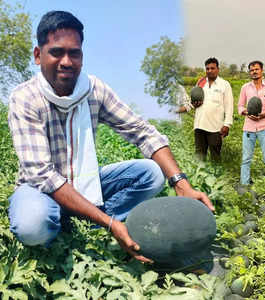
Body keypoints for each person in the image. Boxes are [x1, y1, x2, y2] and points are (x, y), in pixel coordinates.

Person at [7, 11, 214, 263]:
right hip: (39, 189)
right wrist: (110, 222)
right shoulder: (25, 98)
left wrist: (182, 184)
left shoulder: (93, 90)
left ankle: (88, 221)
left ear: (82, 56)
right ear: (38, 56)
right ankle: (75, 228)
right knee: (32, 225)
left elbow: (143, 132)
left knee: (152, 173)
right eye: (56, 52)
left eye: (74, 53)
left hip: (83, 182)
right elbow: (42, 175)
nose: (66, 61)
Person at [178, 57, 233, 161]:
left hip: (215, 128)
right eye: (207, 69)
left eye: (212, 68)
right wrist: (192, 104)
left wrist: (227, 125)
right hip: (199, 125)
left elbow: (229, 106)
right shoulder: (201, 82)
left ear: (218, 69)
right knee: (199, 156)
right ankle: (200, 176)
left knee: (215, 156)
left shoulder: (224, 85)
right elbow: (192, 102)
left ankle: (217, 176)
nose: (209, 71)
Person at [238, 61, 265, 185]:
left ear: (262, 70)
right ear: (249, 72)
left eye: (256, 69)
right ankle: (244, 185)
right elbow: (240, 106)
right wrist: (247, 113)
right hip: (248, 128)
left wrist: (263, 115)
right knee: (246, 159)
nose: (254, 72)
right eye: (252, 70)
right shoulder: (245, 88)